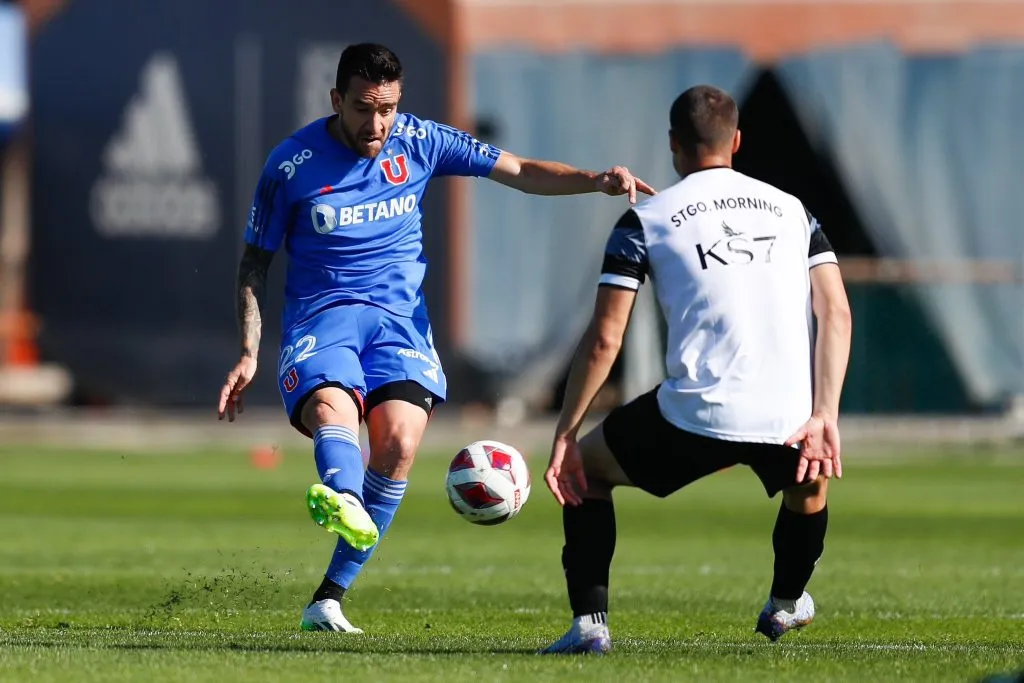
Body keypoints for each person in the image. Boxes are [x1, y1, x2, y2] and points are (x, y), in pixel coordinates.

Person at [216, 43, 655, 633]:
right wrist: (249, 349)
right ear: (336, 101)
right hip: (323, 320)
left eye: (388, 108)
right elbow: (254, 263)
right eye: (364, 108)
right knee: (332, 409)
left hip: (399, 324)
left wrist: (592, 181)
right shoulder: (290, 166)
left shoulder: (421, 141)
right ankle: (343, 494)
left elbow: (520, 171)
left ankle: (328, 598)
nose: (377, 124)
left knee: (397, 443)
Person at [540, 84, 852, 654]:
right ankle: (785, 604)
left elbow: (606, 338)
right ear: (736, 141)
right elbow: (835, 310)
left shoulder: (646, 218)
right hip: (787, 412)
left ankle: (590, 627)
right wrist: (824, 413)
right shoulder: (793, 210)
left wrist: (565, 435)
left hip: (694, 411)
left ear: (672, 145)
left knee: (586, 472)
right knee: (809, 483)